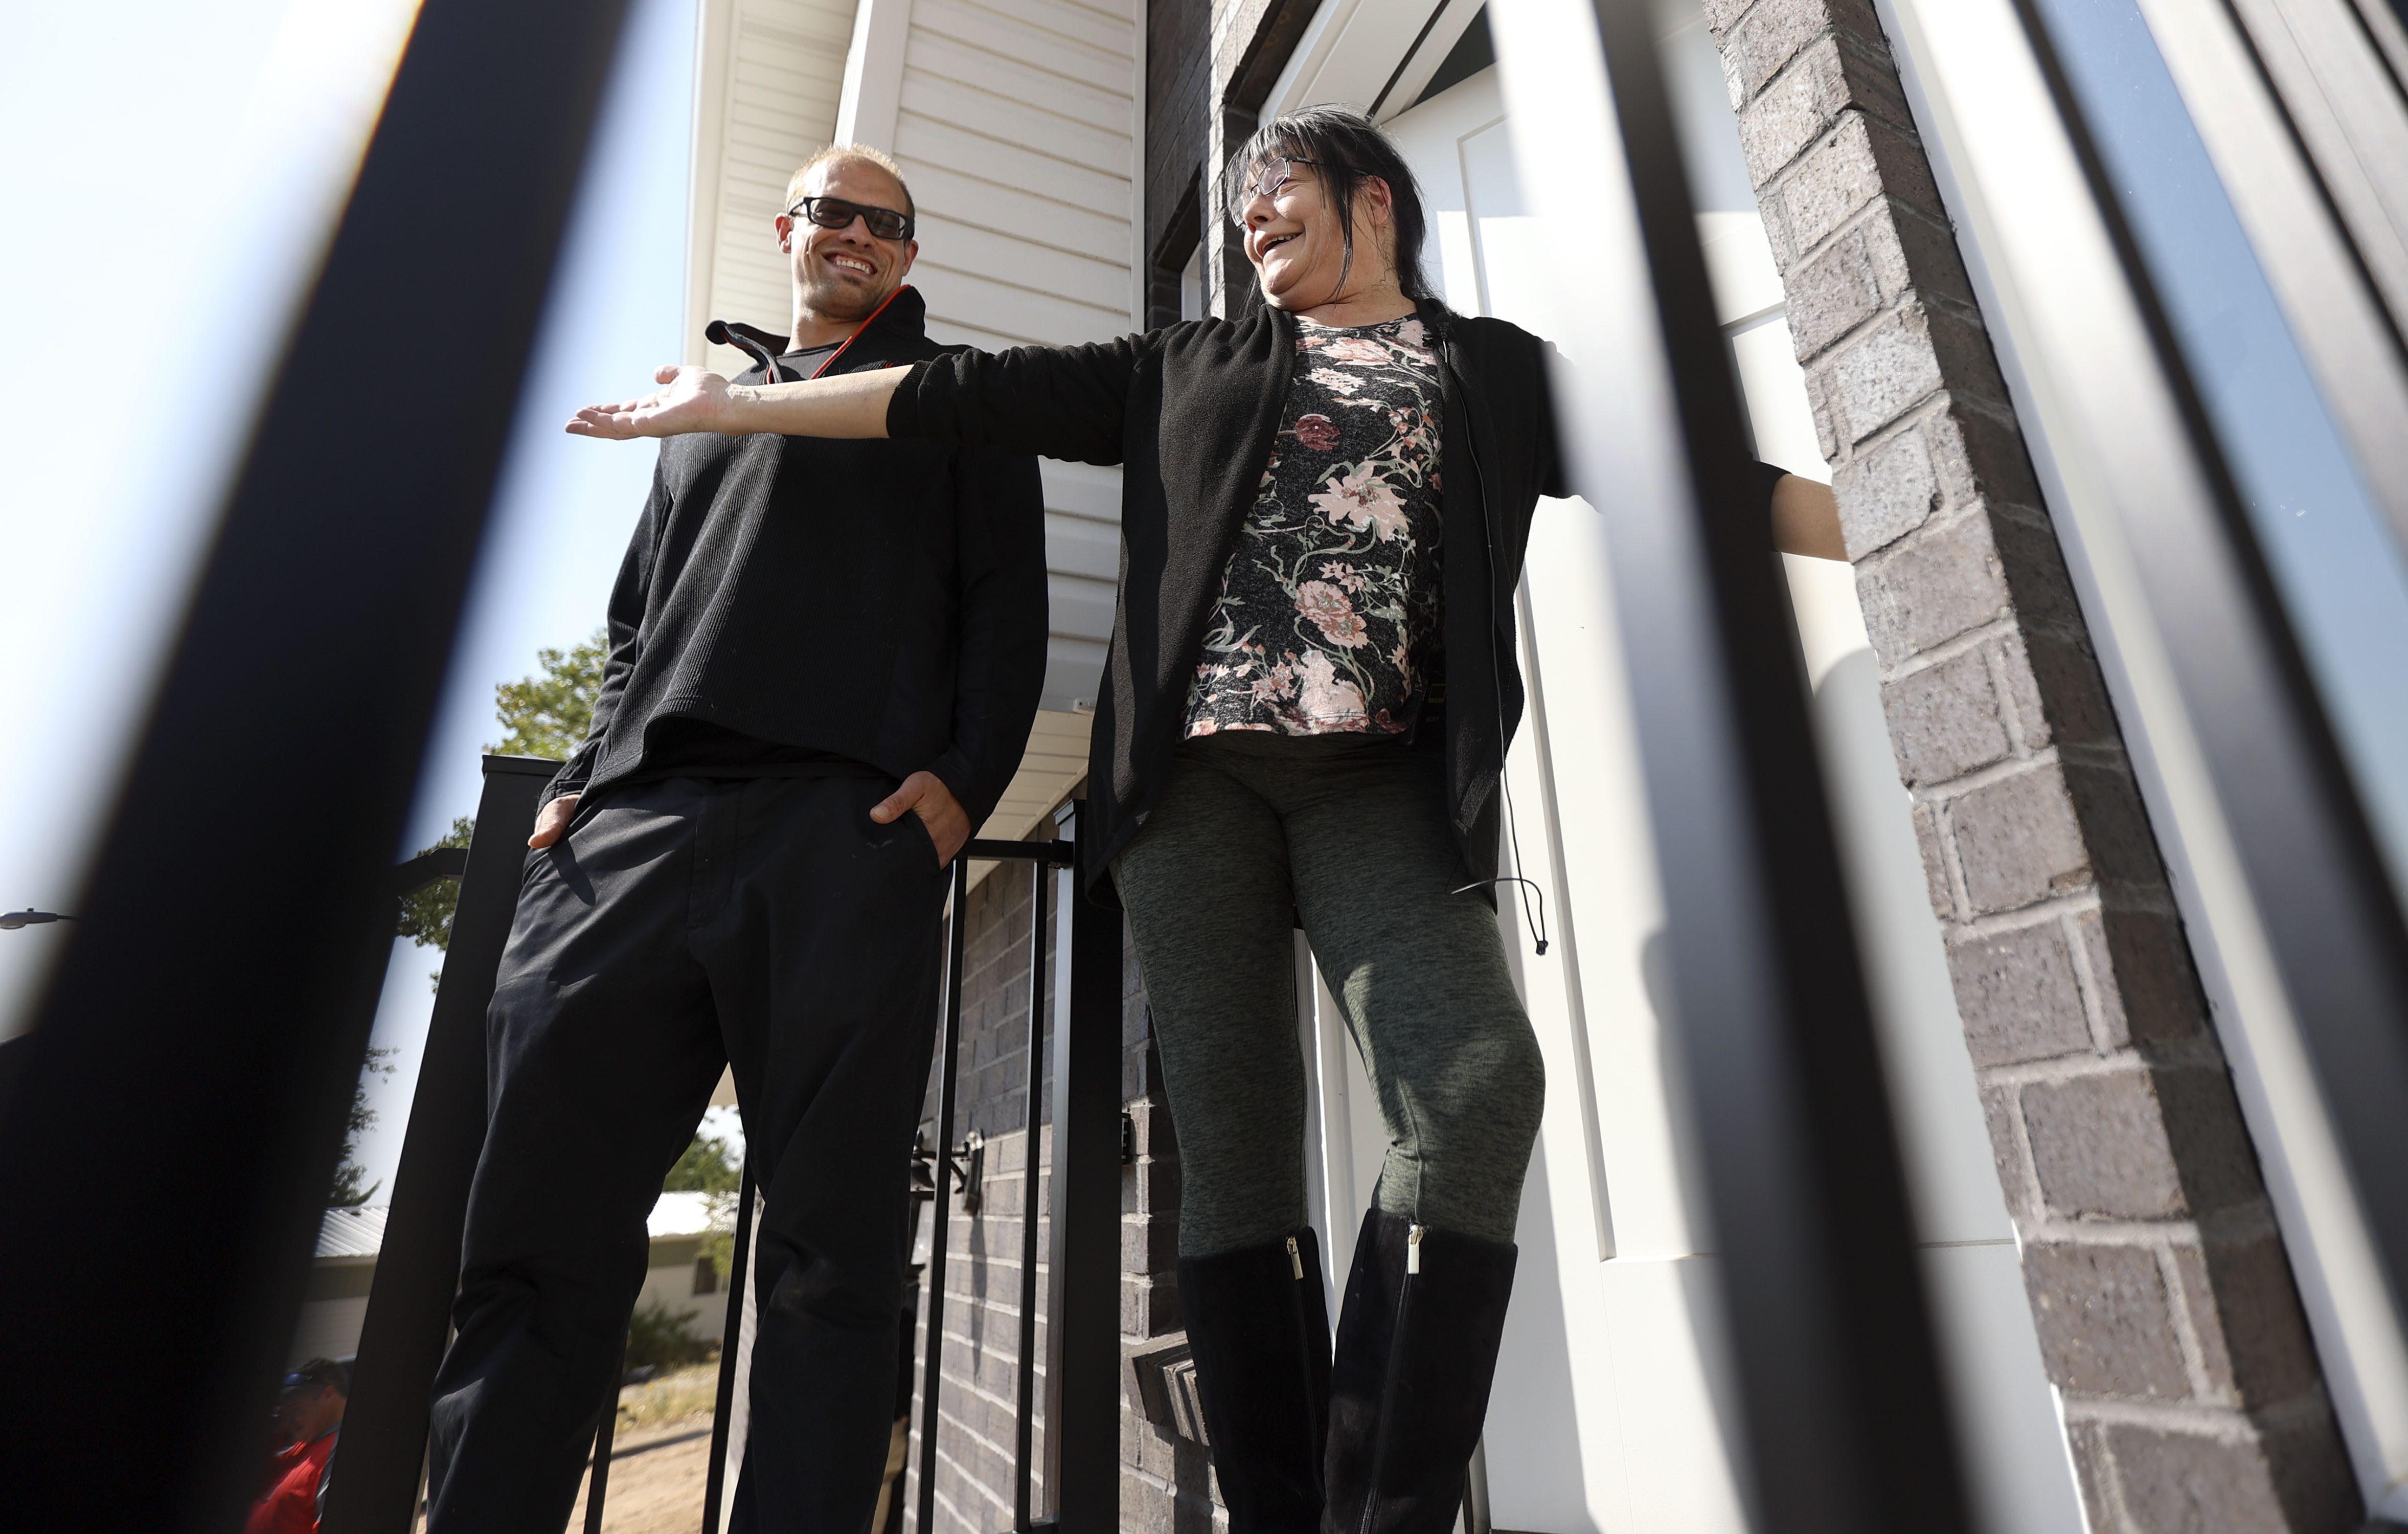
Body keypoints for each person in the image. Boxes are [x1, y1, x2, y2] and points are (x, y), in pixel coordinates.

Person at [570, 107, 1845, 1534]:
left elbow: (1688, 474)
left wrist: (1881, 522)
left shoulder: (1489, 371)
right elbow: (953, 396)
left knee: (1473, 1089)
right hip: (1190, 800)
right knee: (1235, 1156)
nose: (1248, 219)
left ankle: (1385, 1506)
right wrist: (739, 406)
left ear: (1372, 201)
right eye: (1235, 204)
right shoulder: (1184, 364)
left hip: (1378, 786)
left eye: (1274, 189)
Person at [427, 143, 1047, 1533]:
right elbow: (631, 623)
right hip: (631, 839)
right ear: (788, 229)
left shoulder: (949, 402)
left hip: (842, 835)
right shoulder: (700, 412)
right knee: (532, 1234)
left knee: (834, 1257)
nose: (861, 238)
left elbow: (1009, 609)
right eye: (836, 213)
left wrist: (963, 784)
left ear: (905, 255)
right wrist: (585, 774)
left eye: (888, 225)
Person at [249, 1359, 346, 1534]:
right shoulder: (302, 1447)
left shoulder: (338, 1449)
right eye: (287, 1414)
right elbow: (255, 1478)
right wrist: (275, 1429)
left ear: (329, 1395)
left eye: (297, 1410)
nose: (291, 1420)